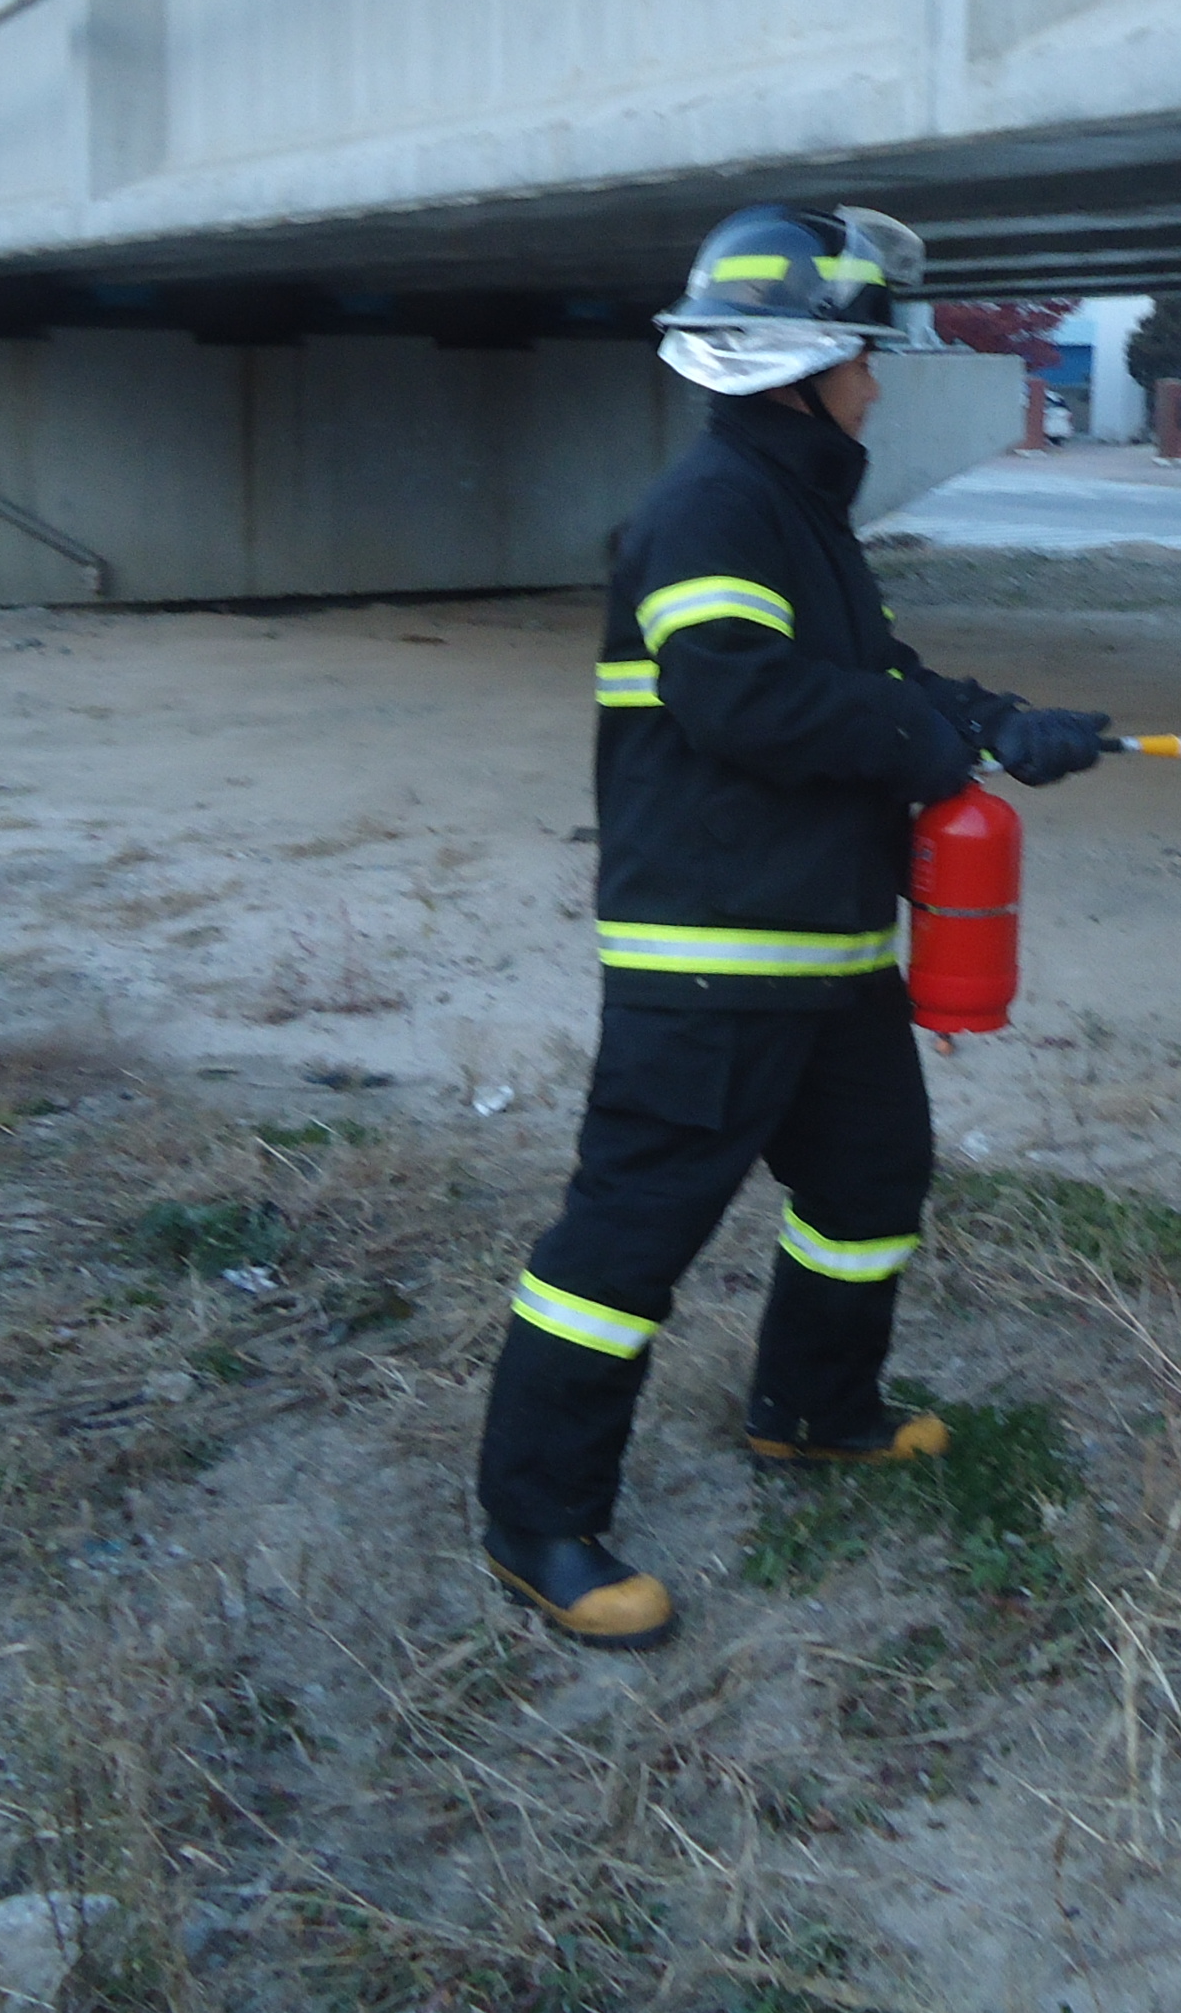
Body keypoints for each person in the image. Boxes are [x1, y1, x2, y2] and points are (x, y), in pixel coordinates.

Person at [474, 204, 1111, 1649]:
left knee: (872, 1184)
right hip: (710, 958)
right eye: (862, 360)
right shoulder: (713, 509)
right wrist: (932, 743)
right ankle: (537, 1520)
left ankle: (814, 1410)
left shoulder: (793, 512)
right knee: (626, 1245)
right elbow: (738, 696)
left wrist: (999, 722)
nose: (876, 386)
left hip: (825, 950)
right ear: (802, 369)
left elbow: (869, 677)